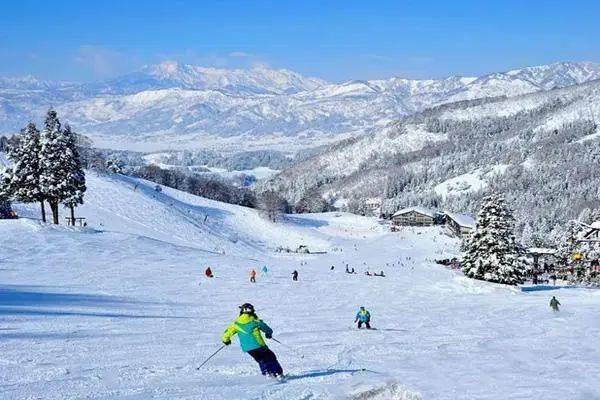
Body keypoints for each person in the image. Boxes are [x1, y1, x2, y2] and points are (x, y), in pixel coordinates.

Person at [222, 303, 283, 377]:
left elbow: (226, 334)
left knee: (261, 360)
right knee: (270, 357)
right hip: (259, 345)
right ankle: (278, 374)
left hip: (247, 348)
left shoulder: (236, 323)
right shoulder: (255, 321)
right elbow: (266, 328)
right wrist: (268, 333)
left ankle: (267, 374)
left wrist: (226, 340)